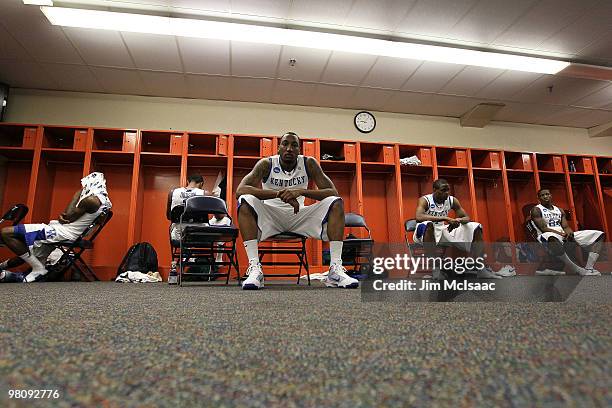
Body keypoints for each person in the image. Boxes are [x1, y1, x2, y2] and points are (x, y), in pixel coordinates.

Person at [236, 131, 358, 290]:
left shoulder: (309, 164)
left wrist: (300, 191)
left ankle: (335, 270)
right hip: (271, 216)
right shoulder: (266, 164)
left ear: (299, 150)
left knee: (335, 202)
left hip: (299, 215)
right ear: (278, 148)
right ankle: (255, 269)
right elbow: (241, 189)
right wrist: (279, 193)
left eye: (294, 145)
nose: (289, 148)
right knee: (244, 200)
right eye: (285, 144)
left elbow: (332, 192)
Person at [0, 172, 112, 283]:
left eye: (85, 185)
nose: (84, 188)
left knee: (6, 232)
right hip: (70, 233)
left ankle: (39, 268)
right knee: (30, 253)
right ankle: (13, 268)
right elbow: (92, 222)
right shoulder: (106, 202)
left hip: (61, 233)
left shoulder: (91, 200)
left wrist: (76, 195)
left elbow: (67, 215)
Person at [414, 178, 503, 280]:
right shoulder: (425, 200)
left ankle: (481, 270)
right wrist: (445, 218)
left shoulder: (452, 200)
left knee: (475, 226)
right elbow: (419, 217)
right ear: (434, 189)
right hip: (424, 232)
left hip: (442, 230)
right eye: (443, 190)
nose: (447, 193)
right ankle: (436, 270)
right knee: (428, 224)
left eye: (448, 190)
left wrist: (458, 221)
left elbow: (466, 217)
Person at [530, 188, 604, 276]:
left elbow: (565, 227)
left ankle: (589, 268)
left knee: (599, 235)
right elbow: (543, 228)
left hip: (562, 234)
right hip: (546, 236)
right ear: (538, 198)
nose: (545, 196)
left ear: (551, 195)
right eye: (542, 195)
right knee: (551, 237)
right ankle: (576, 269)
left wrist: (570, 233)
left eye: (547, 194)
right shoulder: (536, 210)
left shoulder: (560, 210)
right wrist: (562, 234)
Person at [169, 174, 208, 241]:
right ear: (201, 184)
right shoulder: (204, 193)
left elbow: (169, 216)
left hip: (178, 232)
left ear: (187, 182)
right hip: (199, 232)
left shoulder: (172, 192)